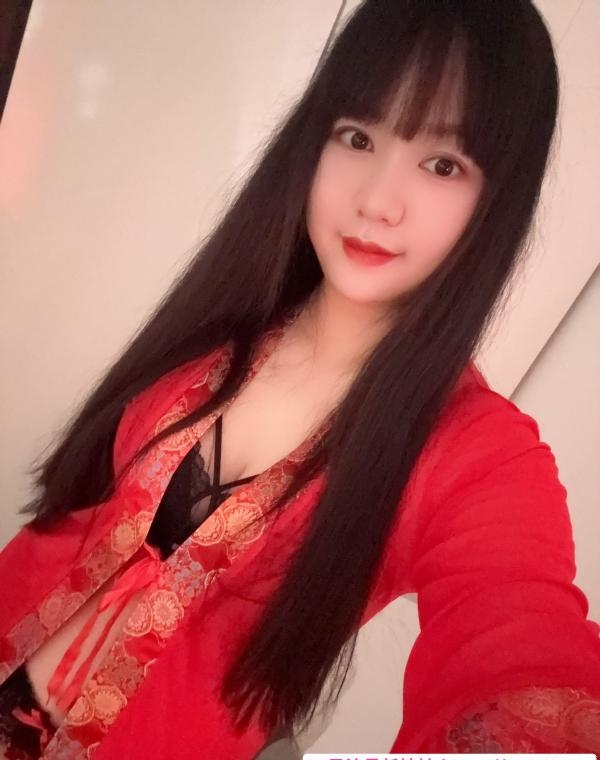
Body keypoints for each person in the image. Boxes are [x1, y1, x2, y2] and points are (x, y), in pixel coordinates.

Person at [1, 1, 599, 757]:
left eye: (443, 164)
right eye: (357, 137)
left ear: (497, 200)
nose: (375, 201)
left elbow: (519, 646)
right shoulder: (233, 310)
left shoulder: (477, 455)